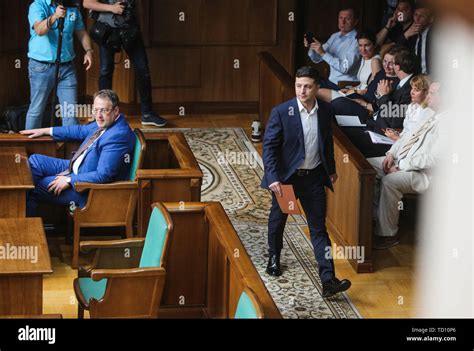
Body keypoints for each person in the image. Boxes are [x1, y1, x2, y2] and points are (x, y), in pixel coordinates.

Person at [261, 66, 351, 299]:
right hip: (287, 180)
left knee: (318, 228)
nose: (302, 90)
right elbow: (269, 148)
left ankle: (328, 279)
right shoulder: (282, 112)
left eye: (307, 86)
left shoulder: (325, 111)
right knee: (279, 219)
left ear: (317, 87)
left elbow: (326, 142)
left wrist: (330, 169)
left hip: (313, 179)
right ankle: (274, 257)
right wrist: (273, 178)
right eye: (299, 86)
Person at [20, 90, 136, 217]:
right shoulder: (106, 123)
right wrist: (46, 131)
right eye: (96, 110)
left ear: (116, 111)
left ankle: (25, 229)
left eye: (104, 110)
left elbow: (103, 175)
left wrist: (69, 180)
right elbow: (79, 130)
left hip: (87, 189)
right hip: (78, 168)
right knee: (36, 161)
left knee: (34, 187)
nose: (99, 115)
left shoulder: (118, 135)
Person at [368, 82, 444, 249]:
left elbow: (435, 159)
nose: (428, 96)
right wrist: (391, 154)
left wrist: (402, 165)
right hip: (402, 160)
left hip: (426, 174)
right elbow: (406, 137)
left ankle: (387, 234)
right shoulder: (429, 113)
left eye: (432, 93)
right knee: (367, 167)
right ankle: (374, 218)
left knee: (391, 181)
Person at [83, 0, 167, 127]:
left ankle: (147, 114)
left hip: (129, 28)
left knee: (142, 69)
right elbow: (87, 3)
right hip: (106, 29)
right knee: (106, 70)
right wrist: (111, 8)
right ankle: (101, 115)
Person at [26, 0, 94, 129]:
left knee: (70, 112)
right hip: (41, 67)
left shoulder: (72, 7)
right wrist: (55, 16)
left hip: (67, 67)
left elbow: (81, 32)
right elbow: (40, 30)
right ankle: (30, 146)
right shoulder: (38, 5)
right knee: (37, 109)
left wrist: (89, 51)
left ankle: (71, 147)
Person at [341, 47, 419, 158]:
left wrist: (384, 96)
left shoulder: (409, 88)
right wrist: (381, 95)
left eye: (392, 63)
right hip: (376, 126)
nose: (388, 66)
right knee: (343, 132)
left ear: (397, 67)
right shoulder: (403, 84)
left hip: (385, 137)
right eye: (385, 62)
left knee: (347, 144)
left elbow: (395, 121)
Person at [317, 30, 382, 103]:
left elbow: (374, 89)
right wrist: (350, 90)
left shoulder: (375, 61)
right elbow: (362, 84)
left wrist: (354, 91)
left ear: (374, 45)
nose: (363, 49)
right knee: (318, 91)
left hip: (363, 100)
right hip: (356, 94)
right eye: (360, 45)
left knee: (319, 92)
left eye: (367, 45)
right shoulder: (364, 58)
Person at [304, 7, 361, 90]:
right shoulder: (335, 36)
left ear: (355, 22)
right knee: (306, 85)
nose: (343, 22)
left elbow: (344, 69)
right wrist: (312, 47)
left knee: (309, 92)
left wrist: (323, 53)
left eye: (347, 19)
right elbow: (317, 59)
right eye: (341, 18)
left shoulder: (357, 40)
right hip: (331, 82)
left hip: (345, 86)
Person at [384, 74, 434, 141]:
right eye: (412, 88)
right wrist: (396, 133)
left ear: (426, 93)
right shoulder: (412, 106)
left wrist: (397, 138)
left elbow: (416, 140)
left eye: (416, 90)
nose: (412, 92)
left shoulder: (427, 112)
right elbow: (406, 130)